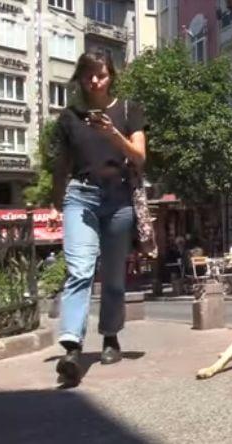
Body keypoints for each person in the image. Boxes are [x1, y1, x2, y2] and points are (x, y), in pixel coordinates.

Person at [51, 51, 147, 386]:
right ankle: (72, 349)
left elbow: (139, 156)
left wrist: (113, 135)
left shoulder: (127, 109)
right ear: (80, 77)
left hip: (118, 199)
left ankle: (110, 337)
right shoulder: (68, 117)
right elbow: (61, 163)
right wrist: (55, 201)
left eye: (101, 74)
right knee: (79, 269)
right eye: (89, 74)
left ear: (111, 76)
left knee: (113, 276)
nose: (95, 80)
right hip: (80, 197)